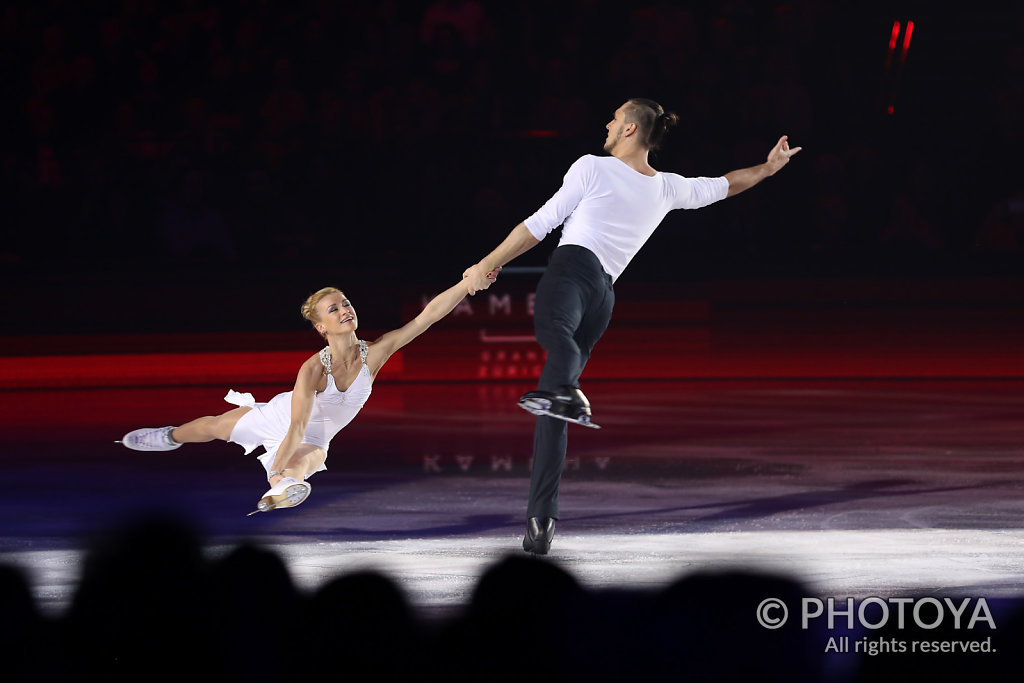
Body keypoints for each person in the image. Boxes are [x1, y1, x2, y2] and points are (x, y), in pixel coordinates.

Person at [463, 98, 801, 555]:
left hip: (572, 273)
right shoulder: (666, 188)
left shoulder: (592, 167)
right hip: (604, 296)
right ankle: (541, 518)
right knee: (553, 409)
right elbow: (724, 185)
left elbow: (541, 224)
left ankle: (569, 393)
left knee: (552, 336)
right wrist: (768, 168)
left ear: (629, 130)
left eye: (614, 118)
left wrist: (486, 264)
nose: (606, 122)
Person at [118, 275, 494, 514]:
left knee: (309, 461)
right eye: (335, 309)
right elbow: (295, 425)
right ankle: (168, 436)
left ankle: (287, 486)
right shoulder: (313, 369)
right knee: (214, 426)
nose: (345, 310)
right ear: (320, 326)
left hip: (315, 436)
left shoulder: (375, 353)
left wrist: (466, 284)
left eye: (346, 303)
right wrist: (274, 468)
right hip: (282, 419)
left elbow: (425, 318)